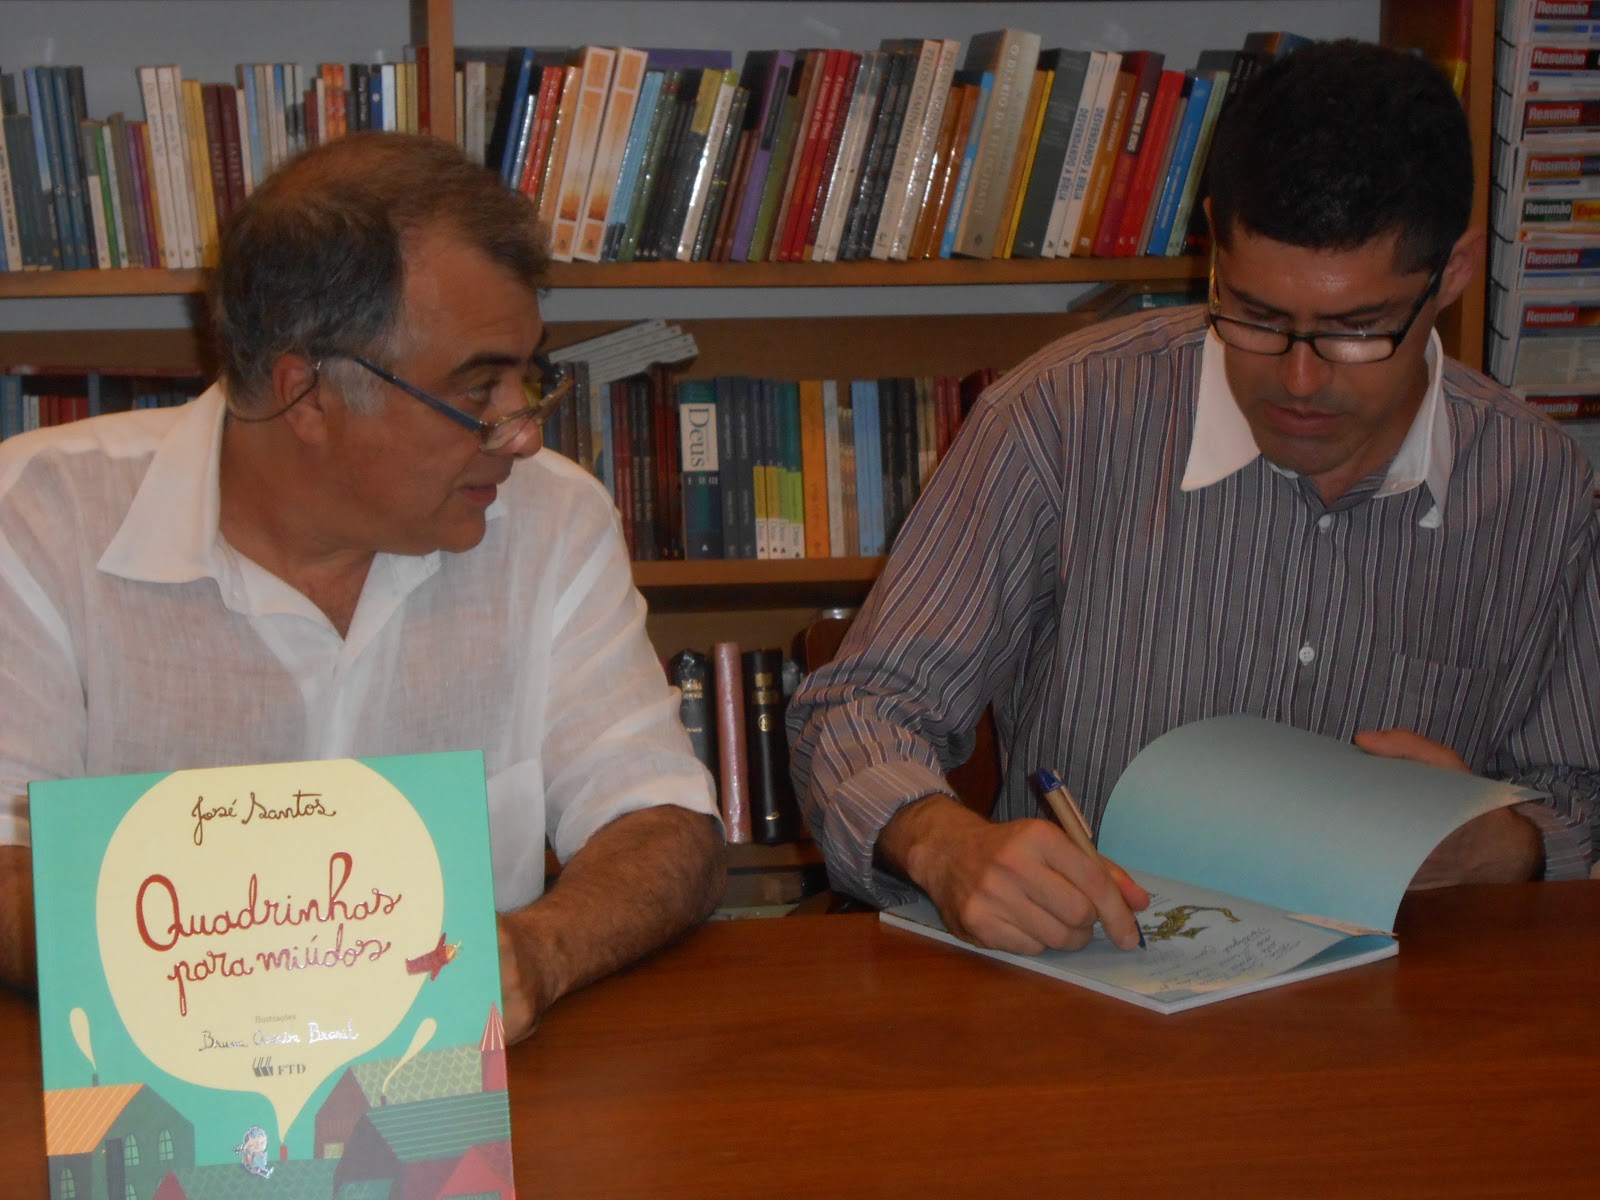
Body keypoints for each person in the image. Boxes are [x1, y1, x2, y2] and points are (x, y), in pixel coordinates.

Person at [788, 40, 1599, 955]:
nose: (1299, 379)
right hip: (1093, 976)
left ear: (1452, 273)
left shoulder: (1537, 484)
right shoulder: (1062, 419)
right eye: (1255, 314)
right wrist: (944, 844)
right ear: (1212, 239)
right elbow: (859, 708)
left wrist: (1509, 846)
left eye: (1356, 329)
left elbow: (1579, 790)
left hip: (1396, 993)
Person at [0, 132, 725, 1038]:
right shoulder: (37, 521)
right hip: (132, 1091)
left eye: (528, 377)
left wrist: (540, 952)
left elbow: (664, 822)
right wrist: (255, 983)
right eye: (479, 390)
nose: (523, 433)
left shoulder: (552, 519)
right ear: (307, 394)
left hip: (468, 1092)